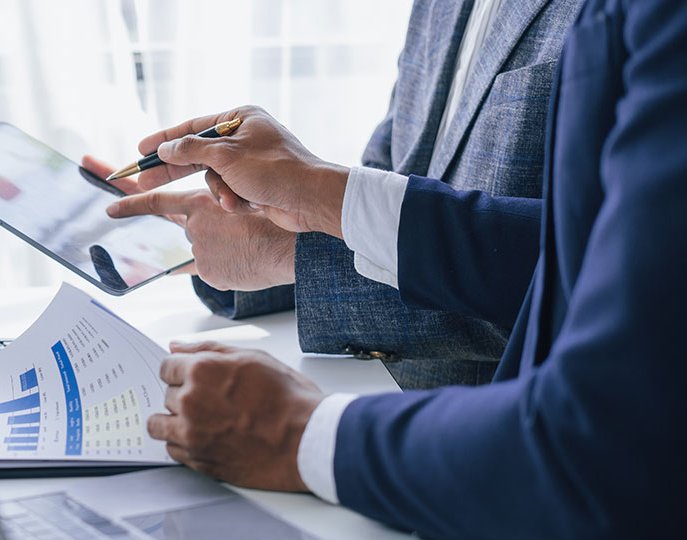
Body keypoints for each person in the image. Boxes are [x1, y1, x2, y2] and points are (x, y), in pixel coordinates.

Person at [104, 0, 687, 537]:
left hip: (487, 468)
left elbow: (572, 280)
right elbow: (394, 178)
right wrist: (278, 225)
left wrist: (300, 432)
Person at [86, 0, 585, 389]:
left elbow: (583, 275)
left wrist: (290, 251)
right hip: (371, 406)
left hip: (513, 453)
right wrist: (249, 232)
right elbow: (393, 189)